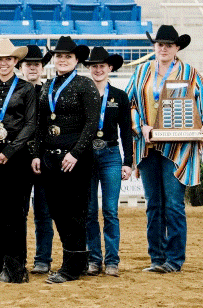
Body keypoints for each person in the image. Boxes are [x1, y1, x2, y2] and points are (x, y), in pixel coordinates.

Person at [127, 25, 203, 274]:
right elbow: (130, 103)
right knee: (153, 203)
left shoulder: (190, 72)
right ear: (154, 47)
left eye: (168, 45)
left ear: (177, 48)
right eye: (159, 44)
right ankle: (157, 257)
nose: (162, 48)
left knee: (173, 204)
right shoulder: (141, 71)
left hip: (177, 147)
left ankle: (174, 259)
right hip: (148, 146)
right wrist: (140, 125)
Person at [30, 36, 98, 284]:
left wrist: (76, 153)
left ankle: (72, 265)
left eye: (67, 56)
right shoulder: (48, 86)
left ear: (76, 59)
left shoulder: (85, 84)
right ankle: (76, 260)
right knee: (57, 212)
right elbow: (41, 124)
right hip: (50, 158)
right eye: (59, 56)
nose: (62, 59)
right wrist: (37, 153)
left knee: (75, 212)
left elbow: (92, 124)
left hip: (75, 159)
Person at [0, 39, 36, 283]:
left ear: (15, 61)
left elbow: (30, 124)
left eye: (8, 59)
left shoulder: (26, 89)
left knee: (15, 212)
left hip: (17, 159)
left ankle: (16, 266)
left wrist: (9, 151)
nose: (4, 63)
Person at [83, 47, 132, 277]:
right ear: (89, 68)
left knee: (110, 211)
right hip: (86, 156)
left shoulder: (120, 96)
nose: (98, 69)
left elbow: (126, 132)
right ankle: (94, 259)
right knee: (90, 211)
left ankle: (112, 260)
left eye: (102, 65)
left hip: (111, 155)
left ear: (110, 67)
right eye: (94, 65)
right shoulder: (83, 92)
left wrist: (128, 162)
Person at [18, 45, 55, 275]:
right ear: (20, 67)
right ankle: (17, 257)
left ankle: (43, 258)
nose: (32, 67)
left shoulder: (50, 91)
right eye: (28, 64)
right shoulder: (14, 91)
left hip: (43, 158)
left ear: (42, 67)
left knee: (44, 212)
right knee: (18, 212)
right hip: (19, 157)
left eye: (37, 64)